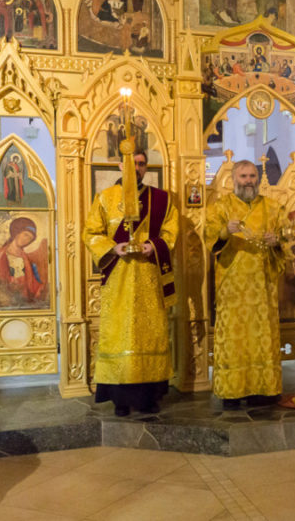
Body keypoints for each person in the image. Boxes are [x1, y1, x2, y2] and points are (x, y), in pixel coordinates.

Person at [84, 149, 178, 416]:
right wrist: (113, 248)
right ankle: (120, 400)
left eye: (141, 164)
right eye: (131, 163)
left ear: (146, 167)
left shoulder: (161, 199)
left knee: (149, 334)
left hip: (149, 277)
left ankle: (149, 398)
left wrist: (154, 245)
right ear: (120, 165)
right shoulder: (105, 198)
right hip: (119, 278)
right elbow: (90, 232)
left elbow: (171, 231)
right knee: (120, 335)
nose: (136, 168)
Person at [205, 160, 287, 409]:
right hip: (233, 284)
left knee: (261, 336)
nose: (249, 181)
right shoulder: (221, 206)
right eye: (243, 176)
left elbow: (285, 238)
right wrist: (224, 232)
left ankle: (263, 389)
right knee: (234, 338)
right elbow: (210, 238)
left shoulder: (272, 207)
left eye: (252, 176)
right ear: (233, 179)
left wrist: (276, 241)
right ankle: (232, 391)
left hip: (263, 285)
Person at [0, 216, 47, 305]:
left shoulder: (24, 258)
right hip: (6, 298)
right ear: (17, 232)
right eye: (26, 235)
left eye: (30, 238)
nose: (26, 240)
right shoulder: (1, 255)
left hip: (23, 299)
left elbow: (30, 283)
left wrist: (40, 287)